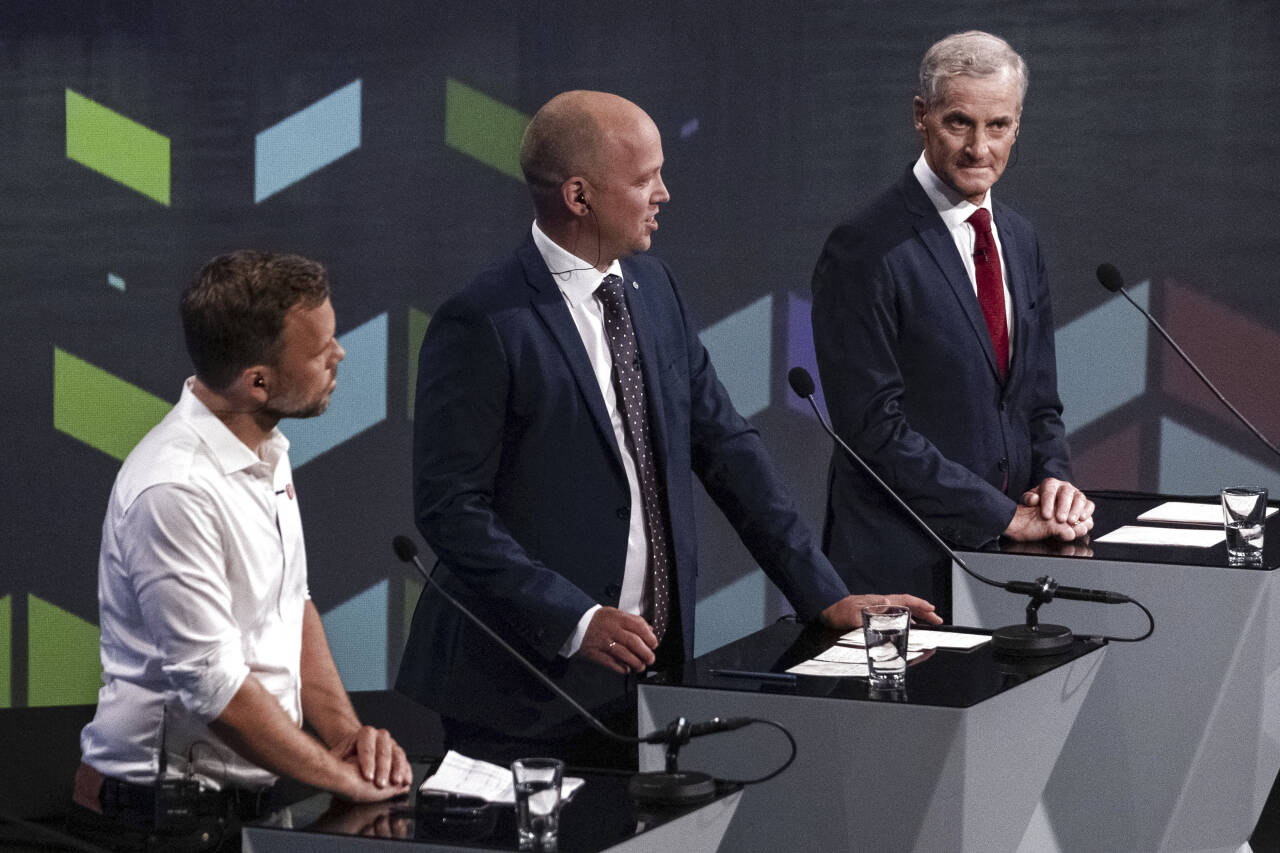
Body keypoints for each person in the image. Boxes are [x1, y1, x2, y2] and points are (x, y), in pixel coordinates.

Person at [396, 90, 941, 770]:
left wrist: (826, 593)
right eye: (645, 177)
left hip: (646, 676)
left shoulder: (654, 291)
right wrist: (574, 615)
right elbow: (451, 510)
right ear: (579, 195)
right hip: (519, 689)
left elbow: (728, 449)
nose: (665, 193)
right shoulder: (484, 321)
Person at [69, 251, 413, 852]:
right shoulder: (174, 489)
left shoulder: (267, 451)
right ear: (258, 381)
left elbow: (290, 603)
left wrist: (348, 740)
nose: (340, 355)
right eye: (321, 348)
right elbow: (213, 686)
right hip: (159, 818)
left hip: (241, 804)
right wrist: (341, 781)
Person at [811, 31, 1094, 619]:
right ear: (922, 116)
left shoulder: (1019, 239)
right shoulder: (864, 248)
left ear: (1018, 126)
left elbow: (1037, 400)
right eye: (959, 123)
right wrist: (1004, 514)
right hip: (900, 562)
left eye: (998, 126)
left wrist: (1054, 484)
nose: (978, 148)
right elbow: (871, 431)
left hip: (1010, 563)